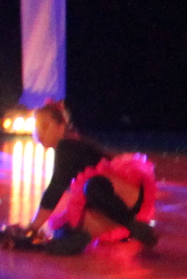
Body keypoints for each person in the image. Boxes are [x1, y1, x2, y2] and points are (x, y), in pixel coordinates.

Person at [25, 103, 159, 252]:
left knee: (92, 187)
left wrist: (33, 227)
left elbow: (55, 188)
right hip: (116, 205)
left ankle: (137, 228)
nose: (39, 133)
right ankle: (89, 235)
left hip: (121, 197)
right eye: (36, 129)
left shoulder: (68, 146)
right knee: (65, 225)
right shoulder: (70, 144)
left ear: (60, 126)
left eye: (45, 126)